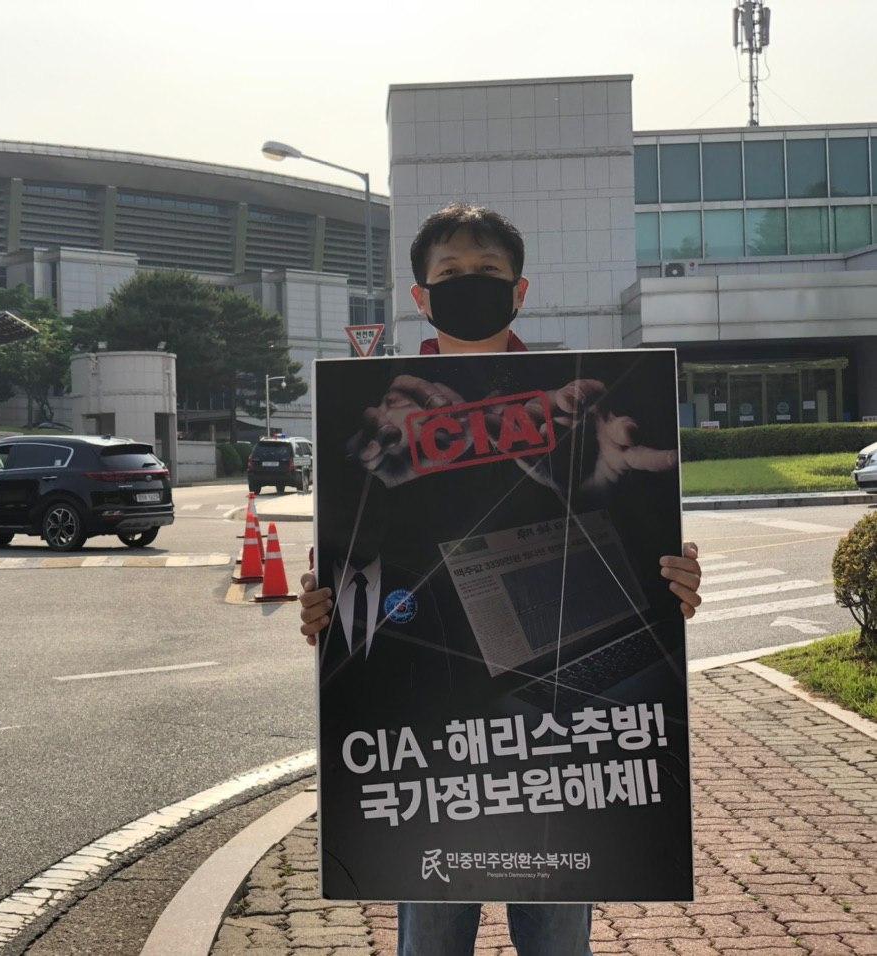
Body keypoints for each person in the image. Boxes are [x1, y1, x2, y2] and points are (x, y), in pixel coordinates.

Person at [299, 203, 704, 956]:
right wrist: (329, 606)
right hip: (429, 740)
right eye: (450, 272)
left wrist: (668, 579)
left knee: (557, 943)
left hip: (551, 736)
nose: (470, 283)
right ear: (421, 296)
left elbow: (625, 529)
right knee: (431, 942)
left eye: (487, 271)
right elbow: (354, 566)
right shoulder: (375, 415)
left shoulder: (580, 401)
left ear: (519, 291)